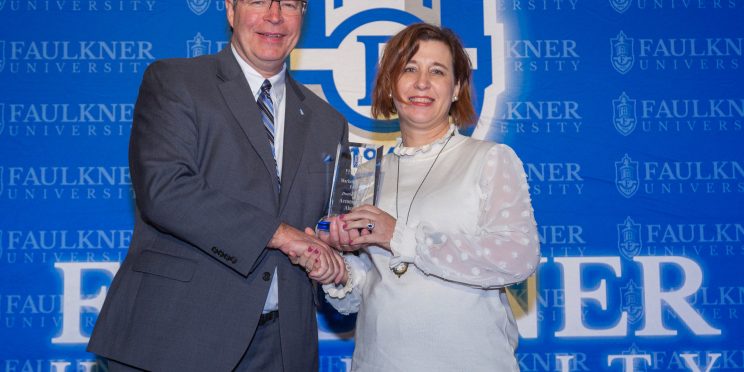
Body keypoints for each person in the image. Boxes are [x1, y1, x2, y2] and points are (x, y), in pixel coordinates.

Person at [87, 0, 347, 371]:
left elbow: (325, 224)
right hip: (176, 337)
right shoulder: (175, 81)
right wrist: (281, 234)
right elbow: (165, 190)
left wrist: (338, 244)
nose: (274, 16)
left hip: (282, 348)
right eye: (259, 1)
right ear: (230, 9)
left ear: (302, 14)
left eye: (289, 4)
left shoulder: (328, 121)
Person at [319, 23, 541, 371]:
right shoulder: (364, 172)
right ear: (390, 83)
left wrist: (401, 236)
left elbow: (518, 258)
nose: (422, 82)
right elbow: (365, 290)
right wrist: (333, 270)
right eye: (409, 69)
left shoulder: (489, 158)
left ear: (456, 88)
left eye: (437, 71)